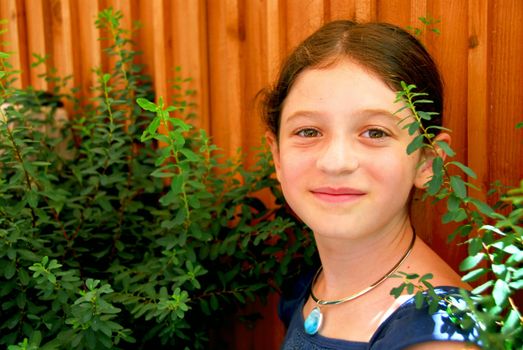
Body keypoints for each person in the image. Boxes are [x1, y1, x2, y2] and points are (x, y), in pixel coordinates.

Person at [261, 20, 480, 349]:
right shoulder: (312, 287)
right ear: (277, 157)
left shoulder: (438, 337)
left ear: (426, 162)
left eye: (375, 133)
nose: (336, 162)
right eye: (308, 132)